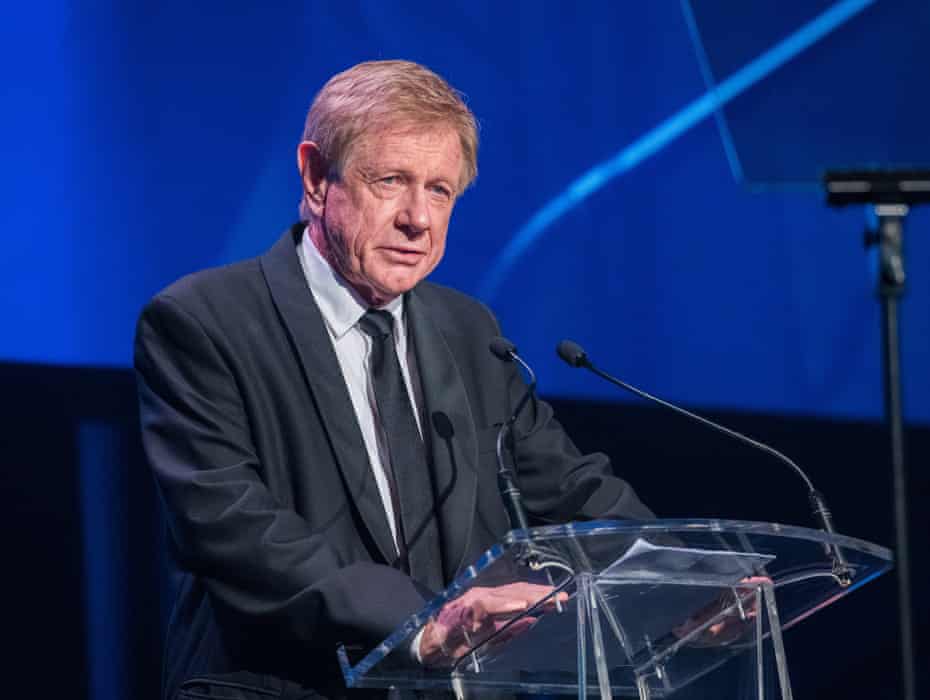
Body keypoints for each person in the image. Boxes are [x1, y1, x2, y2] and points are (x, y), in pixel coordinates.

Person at [134, 59, 653, 700]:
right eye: (391, 181)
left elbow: (570, 491)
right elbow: (236, 530)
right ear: (316, 178)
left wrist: (678, 582)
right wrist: (419, 624)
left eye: (439, 191)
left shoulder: (470, 331)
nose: (418, 219)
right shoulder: (204, 323)